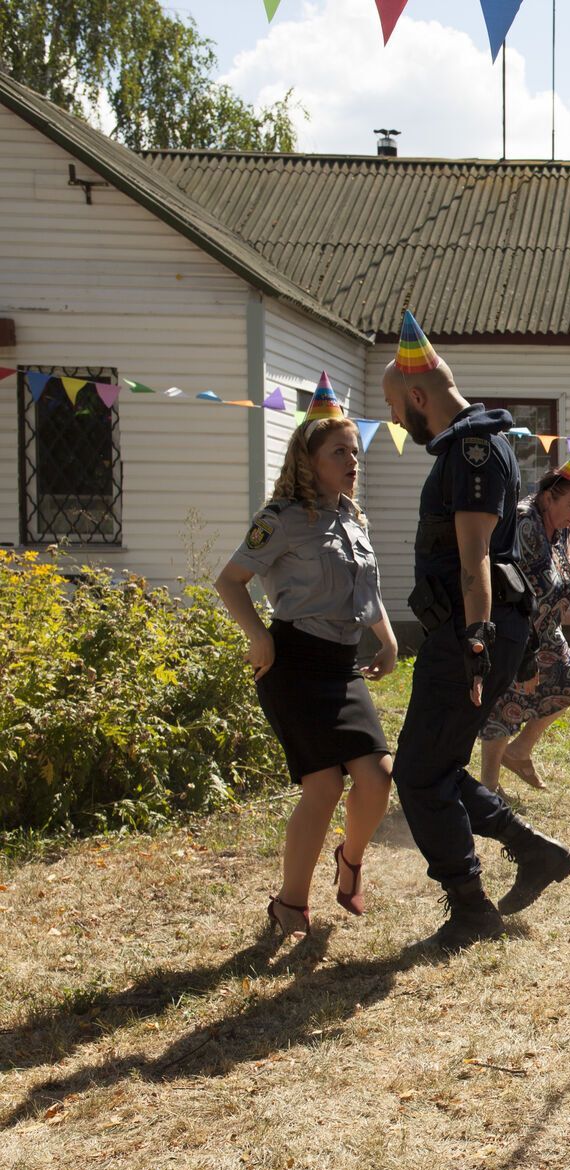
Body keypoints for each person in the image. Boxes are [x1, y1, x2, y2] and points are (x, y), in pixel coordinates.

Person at [383, 311, 570, 951]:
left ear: (418, 396)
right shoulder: (473, 444)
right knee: (427, 766)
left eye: (394, 406)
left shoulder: (470, 451)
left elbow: (474, 561)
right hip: (475, 631)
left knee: (418, 774)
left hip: (471, 633)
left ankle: (471, 906)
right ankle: (531, 854)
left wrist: (474, 644)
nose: (396, 420)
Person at [214, 375, 397, 937]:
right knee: (323, 787)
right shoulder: (281, 518)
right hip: (292, 663)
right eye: (339, 451)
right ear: (309, 459)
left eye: (355, 451)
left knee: (379, 776)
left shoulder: (354, 518)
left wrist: (387, 638)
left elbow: (368, 591)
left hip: (342, 664)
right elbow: (230, 581)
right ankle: (290, 905)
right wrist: (258, 635)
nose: (352, 460)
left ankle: (351, 860)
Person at [480, 446, 570, 793]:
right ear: (547, 498)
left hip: (545, 631)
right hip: (516, 628)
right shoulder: (525, 522)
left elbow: (560, 581)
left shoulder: (561, 527)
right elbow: (521, 587)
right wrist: (525, 654)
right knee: (505, 704)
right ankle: (488, 785)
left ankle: (520, 751)